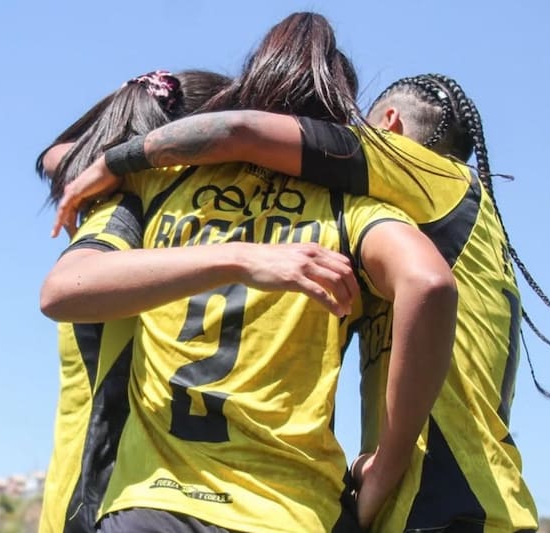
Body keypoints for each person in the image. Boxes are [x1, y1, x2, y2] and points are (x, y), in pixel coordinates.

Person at [54, 72, 550, 531]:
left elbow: (243, 132)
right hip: (456, 499)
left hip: (449, 502)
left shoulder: (431, 177)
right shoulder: (440, 222)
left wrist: (120, 162)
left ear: (390, 129)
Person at [41, 12, 458, 533]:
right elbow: (430, 282)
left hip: (155, 506)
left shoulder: (163, 184)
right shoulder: (354, 212)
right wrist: (387, 466)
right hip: (292, 511)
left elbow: (62, 289)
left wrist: (229, 255)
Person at [36, 69, 231, 533]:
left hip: (131, 497)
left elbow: (55, 156)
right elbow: (53, 158)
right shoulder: (127, 212)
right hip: (101, 496)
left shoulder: (124, 202)